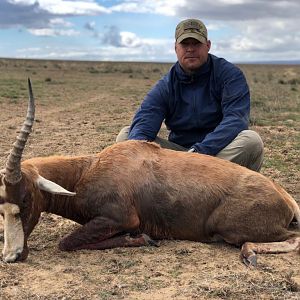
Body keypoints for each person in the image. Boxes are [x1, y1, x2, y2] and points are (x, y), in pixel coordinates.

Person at [116, 18, 264, 172]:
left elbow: (235, 120)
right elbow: (145, 122)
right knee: (127, 137)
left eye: (196, 44)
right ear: (176, 48)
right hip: (177, 155)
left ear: (208, 46)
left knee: (251, 141)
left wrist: (198, 153)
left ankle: (188, 182)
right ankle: (175, 184)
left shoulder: (229, 75)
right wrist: (183, 158)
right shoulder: (166, 85)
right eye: (185, 44)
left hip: (216, 153)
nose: (190, 49)